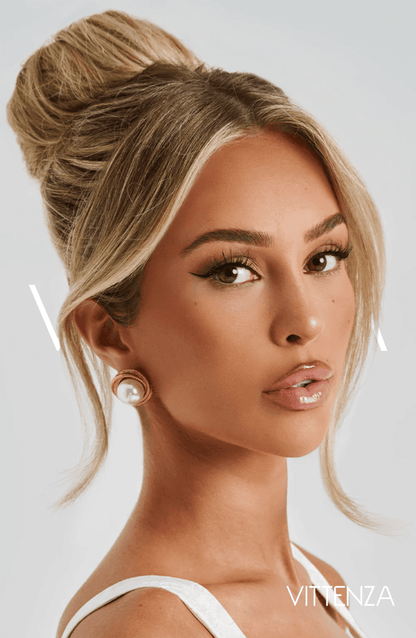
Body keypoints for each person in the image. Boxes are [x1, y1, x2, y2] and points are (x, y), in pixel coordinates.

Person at [7, 9, 387, 638]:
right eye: (232, 272)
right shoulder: (150, 628)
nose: (306, 320)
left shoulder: (323, 589)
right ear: (108, 332)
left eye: (324, 258)